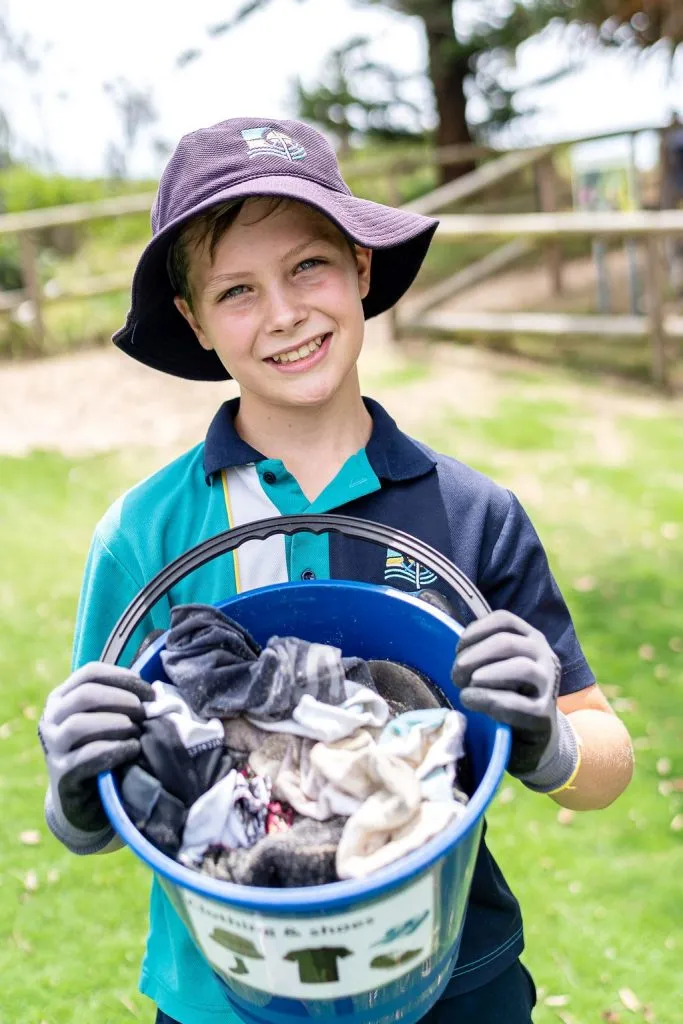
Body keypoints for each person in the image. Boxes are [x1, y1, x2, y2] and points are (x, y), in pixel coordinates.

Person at [38, 118, 634, 1024]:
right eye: (237, 289)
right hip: (223, 991)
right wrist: (77, 797)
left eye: (307, 266)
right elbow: (105, 810)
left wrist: (548, 737)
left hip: (443, 975)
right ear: (195, 321)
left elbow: (604, 763)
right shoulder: (146, 536)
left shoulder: (470, 516)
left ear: (360, 266)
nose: (283, 311)